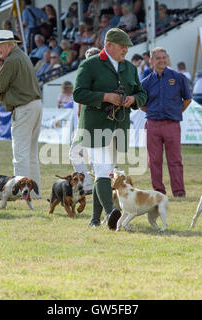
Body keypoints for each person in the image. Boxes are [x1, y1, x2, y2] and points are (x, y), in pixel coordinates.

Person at [73, 28, 147, 229]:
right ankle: (110, 213)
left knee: (102, 172)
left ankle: (95, 219)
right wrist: (105, 97)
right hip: (95, 126)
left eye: (127, 47)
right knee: (103, 169)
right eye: (122, 47)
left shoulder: (130, 68)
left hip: (118, 126)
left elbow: (142, 94)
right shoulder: (90, 65)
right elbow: (78, 93)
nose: (126, 50)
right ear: (109, 45)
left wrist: (133, 99)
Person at [0, 30, 43, 197]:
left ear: (9, 44)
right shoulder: (21, 56)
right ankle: (34, 194)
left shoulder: (11, 60)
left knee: (20, 155)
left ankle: (21, 194)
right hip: (35, 105)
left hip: (24, 108)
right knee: (31, 154)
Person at [141, 47, 191, 198]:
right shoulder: (146, 82)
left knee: (175, 160)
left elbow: (187, 99)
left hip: (172, 124)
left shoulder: (178, 78)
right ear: (151, 61)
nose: (162, 60)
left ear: (167, 59)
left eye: (164, 57)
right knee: (154, 160)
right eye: (158, 58)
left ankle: (179, 192)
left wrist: (175, 113)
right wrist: (153, 113)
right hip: (153, 125)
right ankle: (158, 192)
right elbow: (141, 104)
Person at [69, 47, 101, 197]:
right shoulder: (90, 74)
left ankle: (90, 183)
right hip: (87, 122)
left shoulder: (93, 75)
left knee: (77, 153)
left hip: (91, 121)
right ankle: (96, 182)